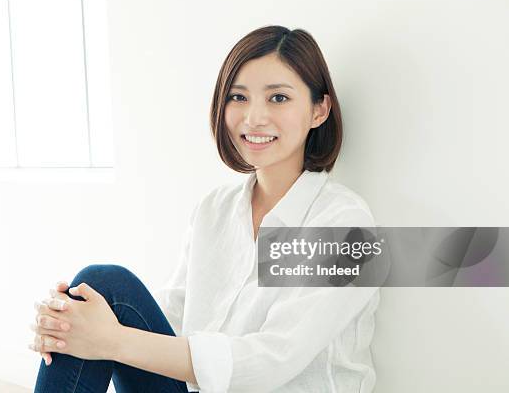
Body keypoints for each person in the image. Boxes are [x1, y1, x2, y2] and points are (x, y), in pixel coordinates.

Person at [29, 25, 381, 393]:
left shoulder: (343, 224)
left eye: (278, 98)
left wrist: (109, 340)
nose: (254, 117)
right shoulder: (214, 210)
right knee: (98, 291)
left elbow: (270, 361)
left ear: (319, 110)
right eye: (239, 97)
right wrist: (70, 325)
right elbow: (170, 315)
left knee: (104, 302)